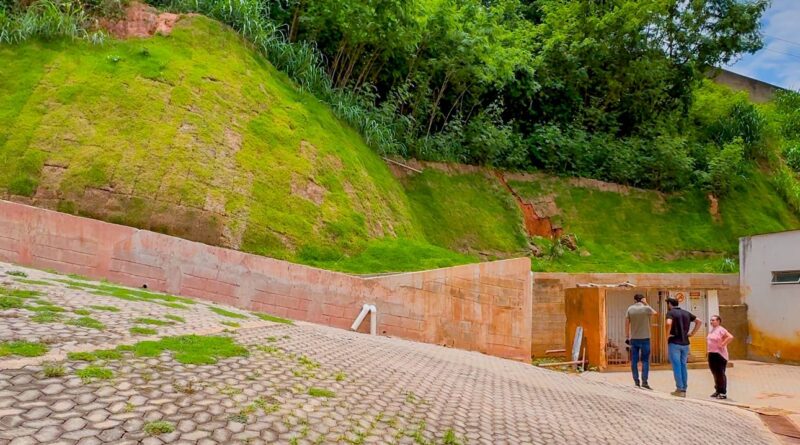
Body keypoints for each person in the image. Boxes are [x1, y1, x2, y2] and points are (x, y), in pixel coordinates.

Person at [665, 297, 701, 397]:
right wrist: (692, 333)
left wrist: (666, 335)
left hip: (674, 343)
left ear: (669, 304)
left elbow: (668, 323)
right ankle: (684, 388)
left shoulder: (670, 313)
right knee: (683, 366)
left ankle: (679, 389)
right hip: (685, 343)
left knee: (676, 366)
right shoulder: (686, 313)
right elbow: (699, 321)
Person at [625, 294, 657, 389]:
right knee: (645, 361)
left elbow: (627, 324)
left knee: (634, 361)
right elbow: (655, 313)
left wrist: (627, 336)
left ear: (634, 300)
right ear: (642, 300)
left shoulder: (630, 309)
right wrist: (646, 303)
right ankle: (645, 382)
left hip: (634, 339)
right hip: (645, 338)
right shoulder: (646, 308)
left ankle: (636, 381)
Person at [707, 315, 734, 399]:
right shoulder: (712, 330)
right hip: (712, 353)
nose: (711, 322)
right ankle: (717, 390)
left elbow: (730, 337)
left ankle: (723, 392)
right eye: (711, 320)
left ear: (718, 321)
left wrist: (722, 344)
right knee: (715, 373)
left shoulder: (721, 329)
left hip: (719, 354)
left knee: (720, 373)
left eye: (713, 320)